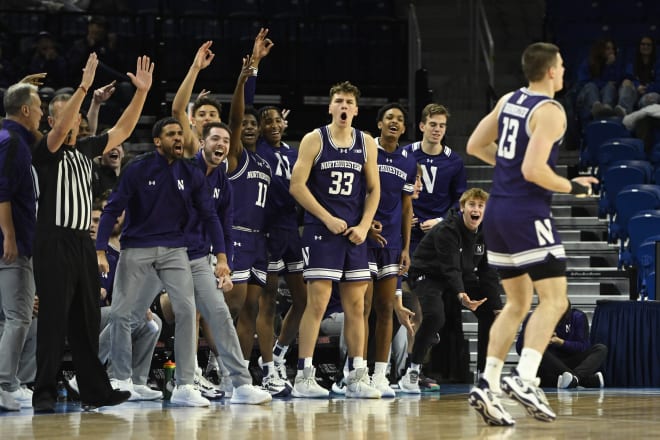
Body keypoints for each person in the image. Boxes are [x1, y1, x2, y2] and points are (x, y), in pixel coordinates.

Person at [465, 42, 598, 426]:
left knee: (517, 305)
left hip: (497, 214)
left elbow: (476, 144)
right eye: (561, 64)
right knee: (556, 301)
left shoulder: (509, 99)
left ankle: (487, 384)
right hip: (526, 213)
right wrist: (576, 187)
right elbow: (534, 170)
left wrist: (509, 166)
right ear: (552, 71)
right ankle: (525, 377)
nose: (564, 69)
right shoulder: (551, 111)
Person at [31, 52, 151, 412]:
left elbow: (124, 131)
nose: (75, 119)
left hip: (82, 240)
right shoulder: (45, 150)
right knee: (53, 318)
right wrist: (83, 86)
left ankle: (95, 390)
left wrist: (141, 93)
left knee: (88, 317)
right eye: (67, 113)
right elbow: (57, 132)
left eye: (77, 114)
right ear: (54, 119)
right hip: (51, 239)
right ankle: (44, 393)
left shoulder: (85, 149)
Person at [95, 116, 230, 408]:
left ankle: (184, 385)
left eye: (180, 134)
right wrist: (100, 250)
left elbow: (210, 216)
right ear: (158, 141)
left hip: (175, 249)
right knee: (121, 313)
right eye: (171, 134)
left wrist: (220, 256)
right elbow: (112, 209)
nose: (179, 139)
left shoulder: (190, 172)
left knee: (186, 310)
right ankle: (119, 378)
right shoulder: (137, 168)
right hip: (137, 248)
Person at [289, 80, 381, 399]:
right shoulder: (314, 139)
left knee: (357, 306)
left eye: (349, 102)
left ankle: (357, 375)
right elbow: (297, 185)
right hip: (320, 232)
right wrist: (326, 217)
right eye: (338, 101)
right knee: (317, 303)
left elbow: (373, 190)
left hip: (354, 234)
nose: (343, 107)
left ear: (356, 110)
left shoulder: (366, 142)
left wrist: (365, 225)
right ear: (330, 106)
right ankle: (304, 375)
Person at [225, 32, 289, 397]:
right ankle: (221, 369)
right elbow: (237, 115)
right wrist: (250, 71)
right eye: (246, 124)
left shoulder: (268, 156)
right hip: (235, 233)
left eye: (255, 123)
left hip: (260, 240)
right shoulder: (235, 155)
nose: (249, 126)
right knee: (231, 306)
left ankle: (243, 376)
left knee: (251, 308)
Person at [400, 188, 503, 392]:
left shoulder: (486, 232)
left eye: (481, 206)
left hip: (458, 275)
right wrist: (461, 294)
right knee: (435, 317)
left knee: (491, 315)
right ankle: (411, 371)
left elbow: (487, 271)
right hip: (428, 273)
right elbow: (450, 266)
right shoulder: (447, 229)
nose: (476, 209)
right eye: (472, 205)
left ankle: (484, 375)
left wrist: (497, 306)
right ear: (463, 208)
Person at [362, 103, 416, 397]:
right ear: (380, 124)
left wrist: (406, 247)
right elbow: (358, 194)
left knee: (385, 310)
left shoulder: (408, 162)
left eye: (400, 120)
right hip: (365, 240)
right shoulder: (366, 151)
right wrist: (364, 225)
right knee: (363, 308)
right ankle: (355, 371)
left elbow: (407, 207)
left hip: (393, 244)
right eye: (389, 118)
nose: (395, 122)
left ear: (404, 128)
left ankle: (380, 375)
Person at [255, 104, 308, 389]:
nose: (273, 125)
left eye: (277, 120)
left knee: (303, 300)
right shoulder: (257, 150)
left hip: (292, 231)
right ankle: (267, 370)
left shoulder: (294, 152)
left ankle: (279, 354)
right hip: (268, 231)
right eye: (267, 121)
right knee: (269, 303)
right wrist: (252, 68)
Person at [0, 81, 41, 410]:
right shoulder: (12, 142)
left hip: (11, 240)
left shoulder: (10, 137)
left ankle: (10, 382)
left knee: (8, 318)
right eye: (39, 106)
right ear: (25, 110)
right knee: (19, 317)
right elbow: (2, 189)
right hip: (11, 244)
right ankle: (6, 384)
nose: (42, 113)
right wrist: (10, 234)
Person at [403, 103, 467, 254]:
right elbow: (393, 189)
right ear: (422, 126)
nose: (437, 129)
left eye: (442, 125)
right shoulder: (406, 154)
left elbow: (460, 199)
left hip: (441, 232)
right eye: (432, 124)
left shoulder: (454, 161)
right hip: (408, 231)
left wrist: (441, 221)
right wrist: (402, 214)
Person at [516, 304, 607, 389]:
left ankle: (574, 378)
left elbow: (583, 347)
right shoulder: (533, 318)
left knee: (600, 348)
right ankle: (583, 380)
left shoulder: (577, 316)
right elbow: (520, 348)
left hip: (571, 359)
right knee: (538, 353)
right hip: (549, 363)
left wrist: (561, 343)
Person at [575, 38, 635, 124]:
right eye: (608, 48)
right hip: (588, 97)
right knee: (591, 86)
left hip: (607, 95)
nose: (611, 51)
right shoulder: (588, 62)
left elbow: (615, 81)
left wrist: (609, 66)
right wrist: (602, 81)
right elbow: (583, 81)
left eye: (612, 49)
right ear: (600, 50)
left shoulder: (616, 64)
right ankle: (596, 107)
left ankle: (607, 108)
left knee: (609, 87)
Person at [625, 36, 660, 109]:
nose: (645, 46)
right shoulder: (632, 61)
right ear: (639, 46)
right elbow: (629, 77)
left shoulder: (658, 63)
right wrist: (637, 86)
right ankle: (624, 112)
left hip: (651, 92)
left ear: (653, 47)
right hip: (635, 91)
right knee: (626, 84)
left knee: (651, 99)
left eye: (648, 44)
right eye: (643, 44)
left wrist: (647, 89)